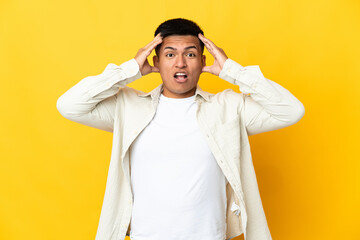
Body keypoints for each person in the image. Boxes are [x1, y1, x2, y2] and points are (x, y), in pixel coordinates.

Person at [56, 18, 305, 240]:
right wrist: (129, 70)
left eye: (190, 54)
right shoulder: (128, 107)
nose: (181, 63)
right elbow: (69, 105)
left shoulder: (228, 108)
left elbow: (291, 110)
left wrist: (232, 70)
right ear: (156, 61)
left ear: (203, 61)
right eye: (170, 54)